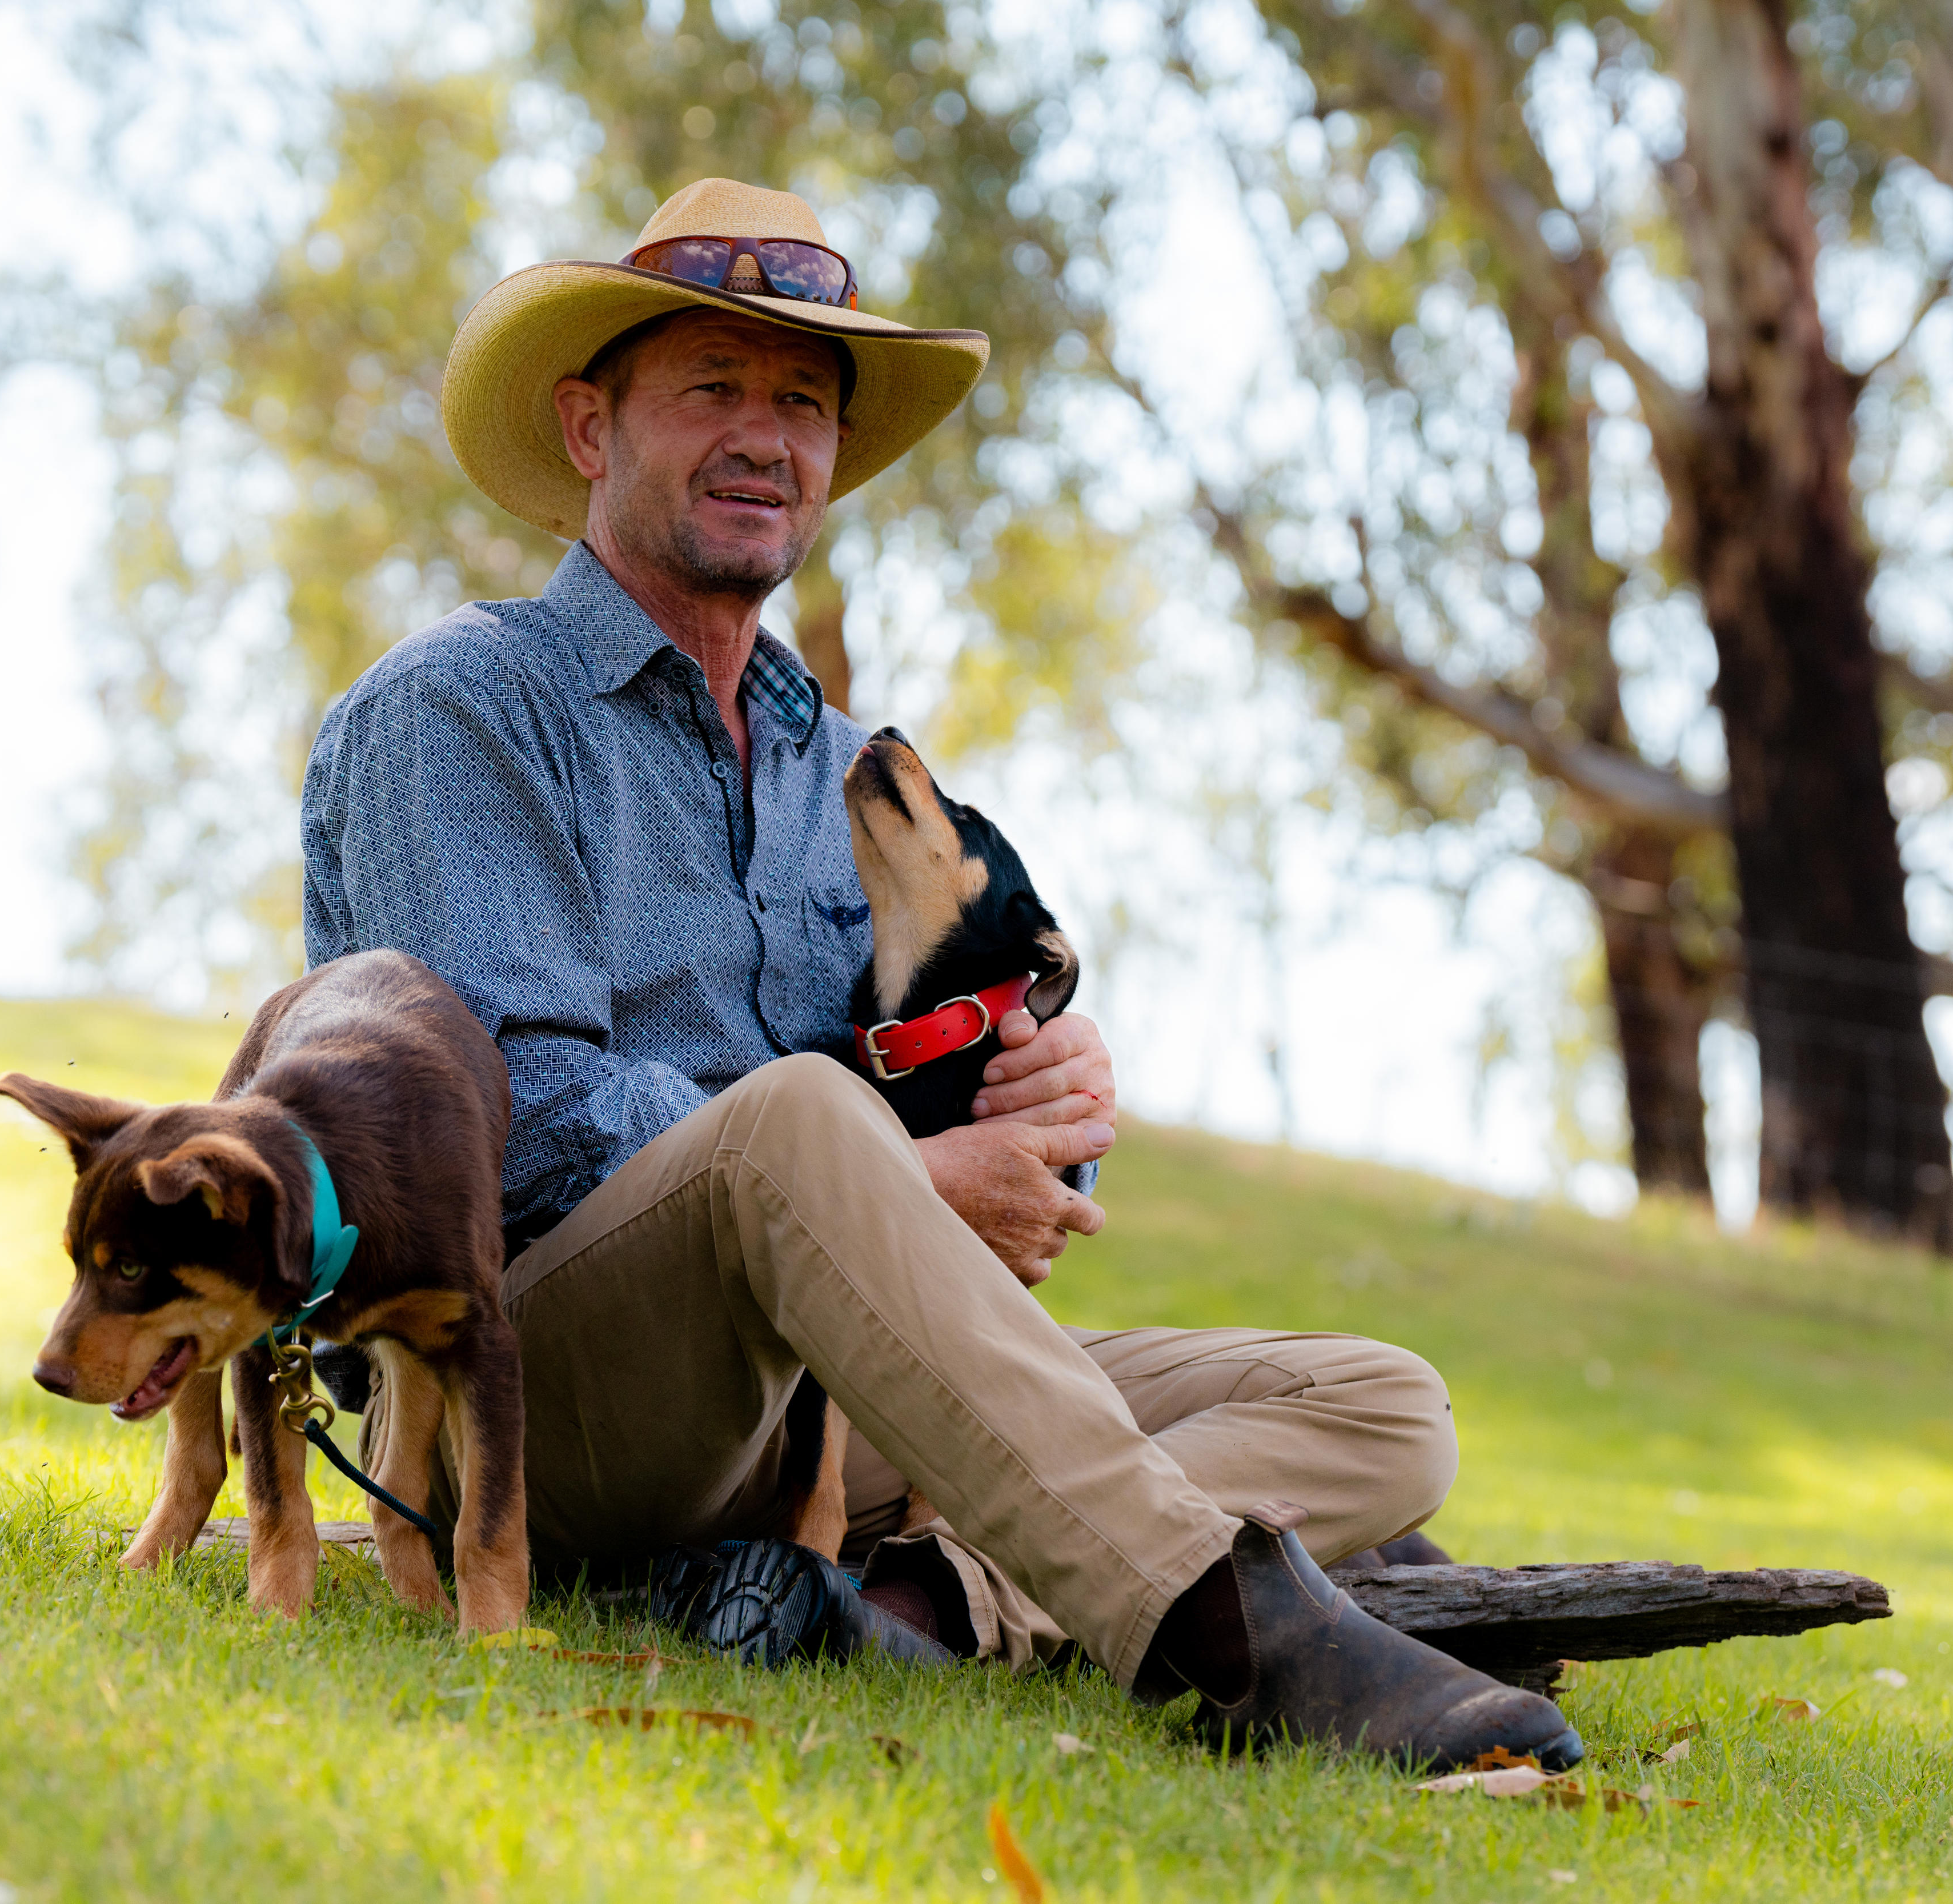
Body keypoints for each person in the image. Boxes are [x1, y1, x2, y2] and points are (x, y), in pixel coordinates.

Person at [298, 177, 1581, 1770]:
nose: (764, 438)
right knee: (792, 1125)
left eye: (803, 404)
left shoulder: (850, 772)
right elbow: (527, 1118)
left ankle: (916, 1608)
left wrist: (1052, 1101)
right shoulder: (465, 710)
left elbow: (954, 1103)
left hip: (818, 1424)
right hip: (522, 1402)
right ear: (588, 431)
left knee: (1384, 1407)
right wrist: (908, 1169)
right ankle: (1240, 1641)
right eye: (713, 390)